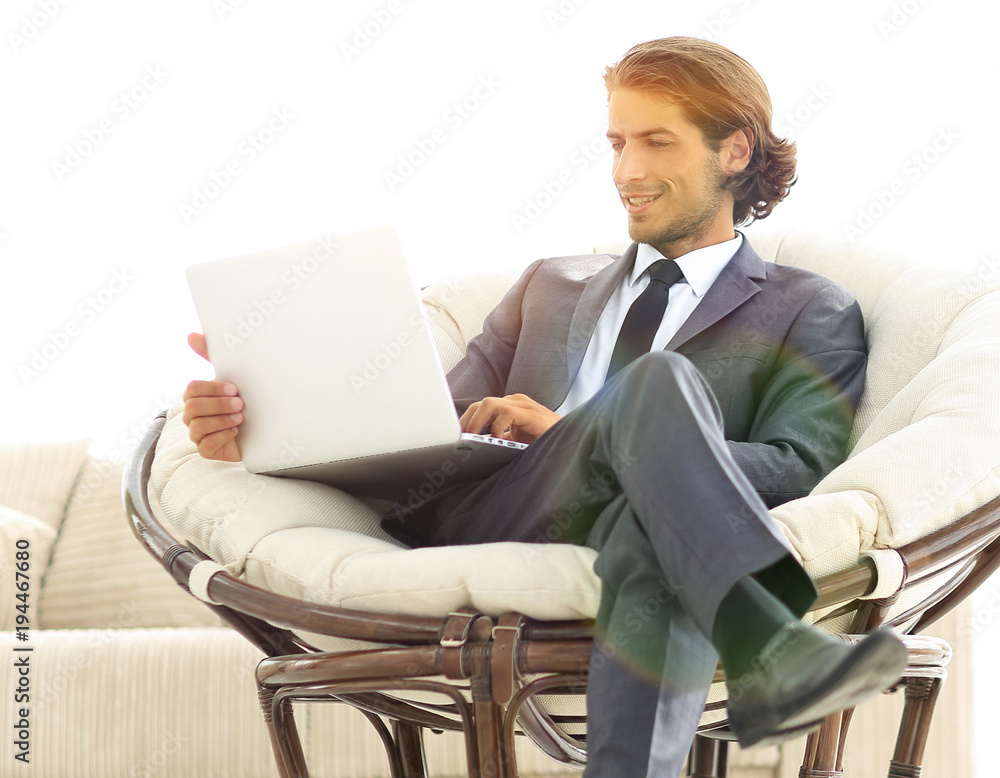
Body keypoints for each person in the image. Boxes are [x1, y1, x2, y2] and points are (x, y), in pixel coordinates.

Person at [183, 37, 906, 777]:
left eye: (657, 142)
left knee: (646, 503)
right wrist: (265, 418)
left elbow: (800, 467)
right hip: (498, 509)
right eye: (618, 143)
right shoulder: (548, 286)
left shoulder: (807, 308)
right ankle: (772, 648)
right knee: (655, 383)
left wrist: (599, 435)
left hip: (644, 526)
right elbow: (430, 430)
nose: (628, 171)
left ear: (735, 151)